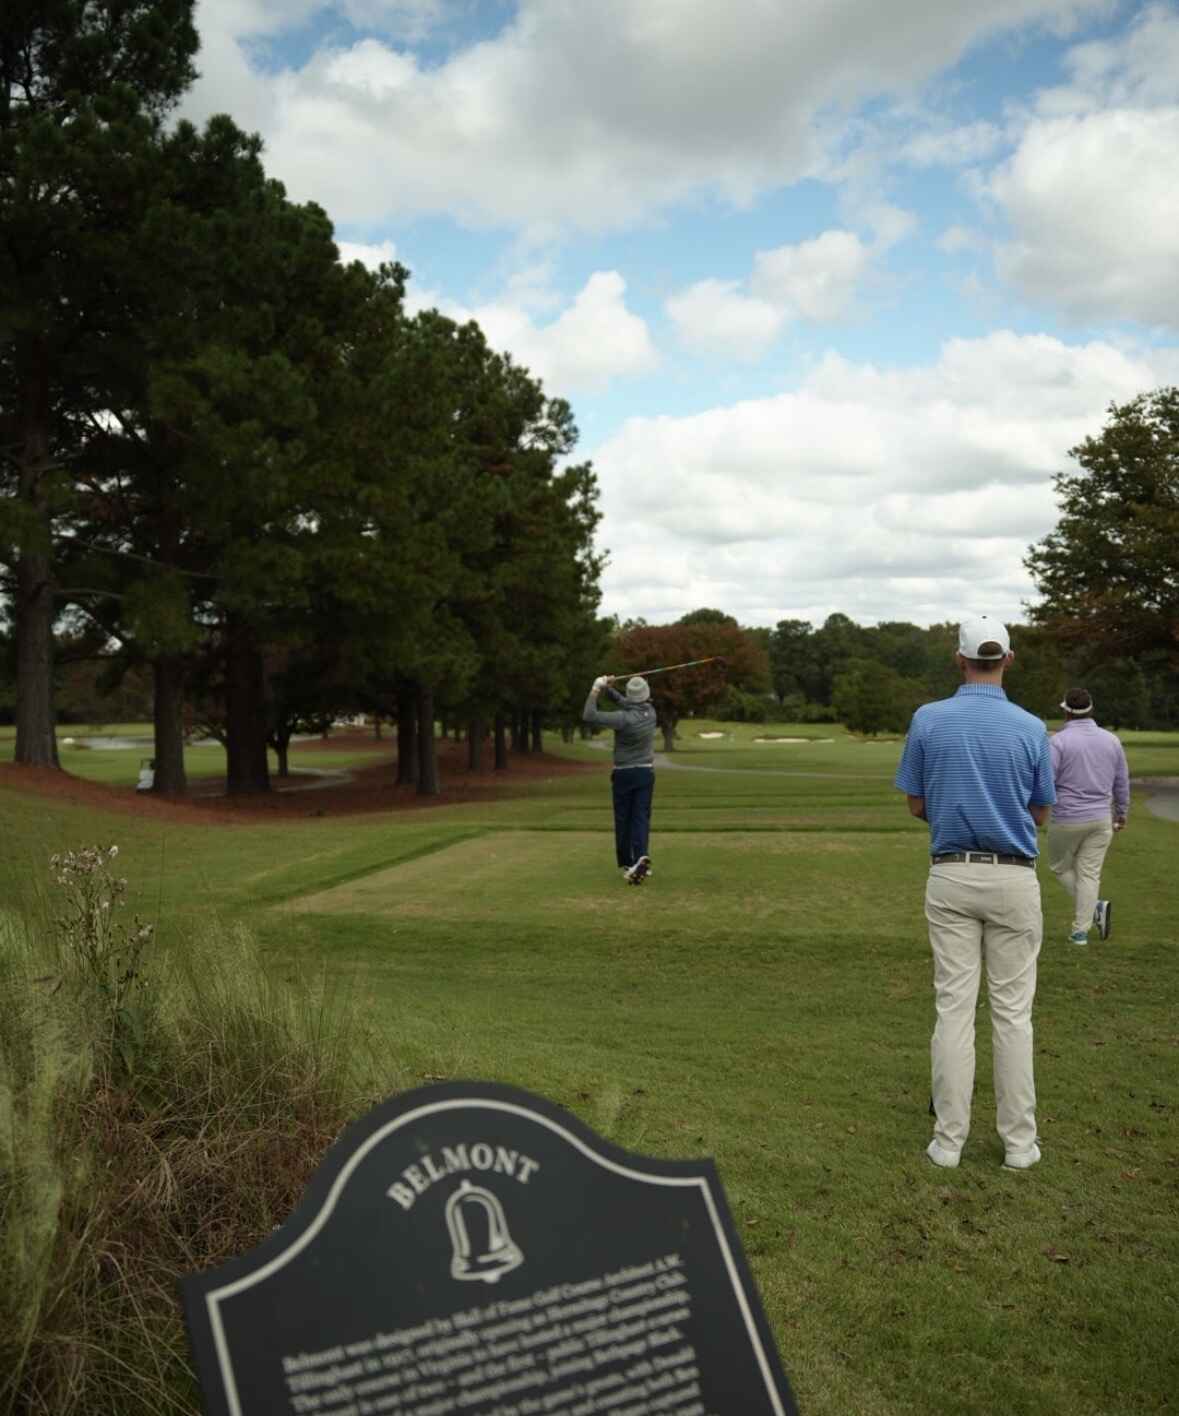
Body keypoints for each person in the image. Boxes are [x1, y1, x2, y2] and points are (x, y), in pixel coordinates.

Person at [894, 615, 1055, 1171]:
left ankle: (949, 1142)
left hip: (952, 873)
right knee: (1013, 1015)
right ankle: (1018, 1145)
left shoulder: (928, 719)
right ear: (1007, 660)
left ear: (958, 659)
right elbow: (1039, 812)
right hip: (1014, 876)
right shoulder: (1032, 728)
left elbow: (916, 803)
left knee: (954, 1009)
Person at [1047, 688, 1129, 946]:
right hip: (1101, 818)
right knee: (1089, 875)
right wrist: (1122, 813)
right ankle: (1079, 933)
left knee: (1059, 866)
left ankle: (1093, 913)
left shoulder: (1058, 741)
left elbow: (1047, 781)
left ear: (1066, 711)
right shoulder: (1112, 740)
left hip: (1067, 818)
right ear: (1091, 709)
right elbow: (1121, 782)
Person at [583, 675, 657, 884]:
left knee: (623, 819)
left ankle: (629, 861)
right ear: (646, 695)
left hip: (624, 773)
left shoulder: (622, 719)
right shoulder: (650, 713)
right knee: (641, 817)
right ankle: (640, 856)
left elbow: (589, 714)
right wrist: (610, 689)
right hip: (645, 773)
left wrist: (596, 688)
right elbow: (628, 703)